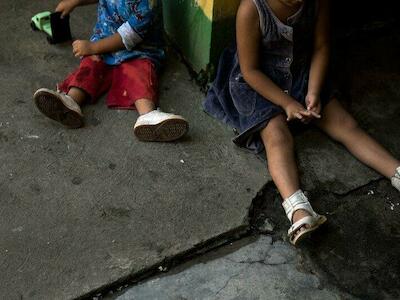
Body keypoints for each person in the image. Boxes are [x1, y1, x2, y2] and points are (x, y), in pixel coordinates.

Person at [203, 0, 400, 245]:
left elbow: (321, 47)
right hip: (259, 83)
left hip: (301, 73)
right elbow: (250, 71)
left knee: (344, 123)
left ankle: (396, 171)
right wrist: (286, 104)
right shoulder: (251, 9)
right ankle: (298, 210)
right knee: (276, 136)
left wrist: (314, 92)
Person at [33, 0, 188, 142]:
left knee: (138, 74)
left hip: (138, 51)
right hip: (103, 43)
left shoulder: (147, 4)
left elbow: (127, 37)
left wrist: (93, 47)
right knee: (90, 67)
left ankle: (148, 115)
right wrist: (74, 2)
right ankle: (70, 101)